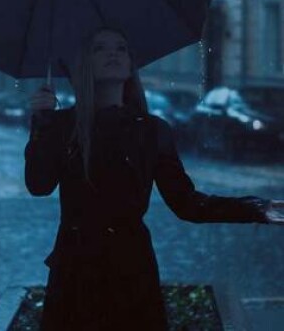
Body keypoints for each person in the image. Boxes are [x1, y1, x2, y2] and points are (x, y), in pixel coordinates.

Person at [25, 27, 284, 331]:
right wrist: (42, 123)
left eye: (121, 48)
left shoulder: (151, 130)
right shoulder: (63, 125)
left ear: (131, 64)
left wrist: (256, 208)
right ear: (84, 64)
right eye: (100, 48)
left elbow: (187, 204)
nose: (113, 53)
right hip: (75, 269)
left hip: (131, 268)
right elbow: (39, 185)